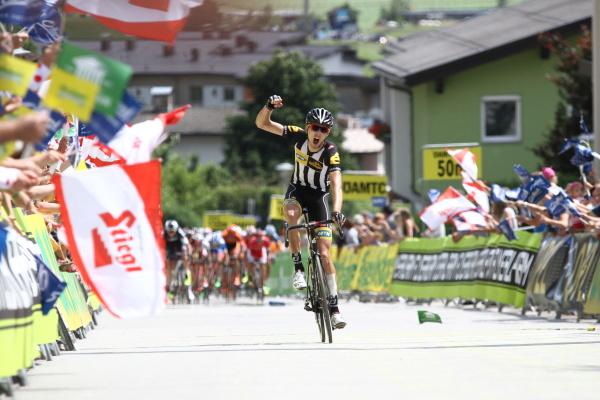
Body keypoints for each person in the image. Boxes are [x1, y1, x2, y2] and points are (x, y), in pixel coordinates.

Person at [255, 94, 346, 329]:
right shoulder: (296, 135)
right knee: (293, 217)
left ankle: (335, 309)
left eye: (324, 130)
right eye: (315, 128)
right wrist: (268, 107)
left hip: (319, 198)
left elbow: (336, 183)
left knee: (325, 255)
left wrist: (336, 211)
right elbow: (262, 124)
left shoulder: (330, 152)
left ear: (328, 133)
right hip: (297, 191)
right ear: (307, 128)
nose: (319, 133)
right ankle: (298, 268)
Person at [163, 220, 191, 298]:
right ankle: (169, 284)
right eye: (169, 232)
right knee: (168, 264)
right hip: (169, 247)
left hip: (179, 245)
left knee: (185, 257)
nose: (171, 234)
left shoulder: (180, 233)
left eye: (173, 232)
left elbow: (187, 245)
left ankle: (187, 276)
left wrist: (188, 254)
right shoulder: (163, 234)